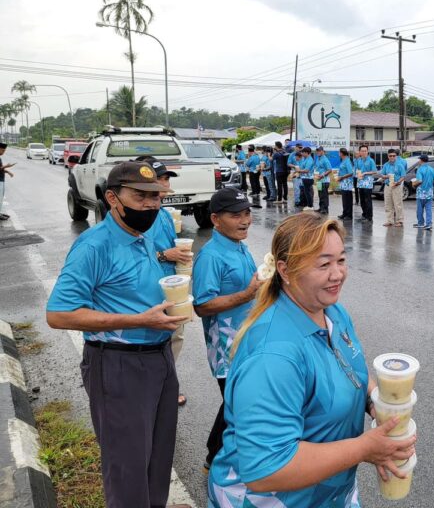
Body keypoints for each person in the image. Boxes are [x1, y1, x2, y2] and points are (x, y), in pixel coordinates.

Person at [207, 213, 416, 508]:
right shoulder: (272, 356)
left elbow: (349, 369)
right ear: (285, 270)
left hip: (329, 494)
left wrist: (377, 403)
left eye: (341, 260)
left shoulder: (333, 313)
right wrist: (364, 448)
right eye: (323, 264)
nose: (337, 274)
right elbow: (266, 469)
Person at [46, 162, 190, 508]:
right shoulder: (93, 246)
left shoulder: (149, 233)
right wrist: (138, 319)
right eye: (140, 196)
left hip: (160, 356)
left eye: (156, 196)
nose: (151, 204)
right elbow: (59, 313)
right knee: (128, 466)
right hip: (118, 364)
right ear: (113, 198)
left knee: (158, 457)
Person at [192, 187, 263, 473]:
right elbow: (202, 305)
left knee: (242, 401)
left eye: (247, 213)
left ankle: (230, 453)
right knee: (237, 402)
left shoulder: (239, 246)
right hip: (226, 346)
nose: (245, 220)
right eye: (235, 215)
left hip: (247, 340)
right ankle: (214, 458)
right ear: (215, 219)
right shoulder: (211, 256)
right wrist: (246, 295)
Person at [136, 156, 193, 407]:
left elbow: (172, 248)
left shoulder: (166, 215)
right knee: (152, 340)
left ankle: (167, 385)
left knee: (176, 336)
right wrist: (163, 255)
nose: (164, 184)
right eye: (159, 179)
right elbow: (134, 253)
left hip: (172, 285)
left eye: (166, 179)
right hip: (148, 287)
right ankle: (152, 389)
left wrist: (183, 263)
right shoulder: (136, 217)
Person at [380, 148, 406, 227]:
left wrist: (398, 182)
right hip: (388, 186)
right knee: (388, 204)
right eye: (390, 156)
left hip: (396, 186)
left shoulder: (399, 165)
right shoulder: (386, 165)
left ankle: (400, 221)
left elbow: (403, 176)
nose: (392, 157)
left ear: (396, 156)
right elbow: (382, 175)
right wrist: (386, 176)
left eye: (393, 156)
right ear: (388, 156)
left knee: (398, 204)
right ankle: (390, 220)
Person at [412, 154, 434, 230]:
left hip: (421, 193)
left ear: (421, 160)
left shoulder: (420, 169)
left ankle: (420, 223)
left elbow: (419, 181)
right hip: (429, 192)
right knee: (428, 209)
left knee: (420, 209)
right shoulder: (432, 169)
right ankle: (429, 224)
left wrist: (414, 184)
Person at [355, 145, 377, 222]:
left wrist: (365, 173)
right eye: (362, 151)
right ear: (360, 152)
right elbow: (356, 170)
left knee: (368, 200)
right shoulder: (358, 160)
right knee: (362, 200)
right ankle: (364, 214)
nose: (364, 152)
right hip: (360, 181)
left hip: (368, 182)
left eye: (365, 151)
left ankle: (369, 217)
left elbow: (374, 171)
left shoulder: (371, 161)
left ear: (367, 152)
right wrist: (357, 173)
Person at [336, 147, 355, 220]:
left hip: (347, 183)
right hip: (343, 182)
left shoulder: (347, 161)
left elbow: (351, 172)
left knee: (348, 199)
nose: (338, 154)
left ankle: (349, 215)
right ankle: (344, 213)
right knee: (344, 199)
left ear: (342, 153)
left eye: (339, 152)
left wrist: (342, 177)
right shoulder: (343, 160)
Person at [314, 146, 332, 214]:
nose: (318, 152)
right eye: (317, 151)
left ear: (322, 151)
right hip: (319, 181)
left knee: (324, 195)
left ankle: (325, 209)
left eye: (319, 151)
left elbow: (329, 170)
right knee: (320, 195)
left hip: (324, 180)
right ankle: (321, 207)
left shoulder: (325, 159)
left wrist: (322, 175)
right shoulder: (318, 159)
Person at [0, 142, 15, 221]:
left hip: (1, 180)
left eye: (4, 151)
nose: (3, 152)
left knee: (1, 198)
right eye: (2, 150)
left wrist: (8, 172)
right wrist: (6, 166)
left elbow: (1, 169)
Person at [288, 143, 305, 208]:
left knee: (302, 188)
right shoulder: (292, 155)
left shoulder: (304, 155)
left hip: (303, 173)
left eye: (301, 147)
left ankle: (302, 201)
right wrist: (294, 166)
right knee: (296, 188)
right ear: (296, 147)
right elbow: (288, 163)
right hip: (295, 173)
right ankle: (297, 201)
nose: (300, 149)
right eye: (299, 147)